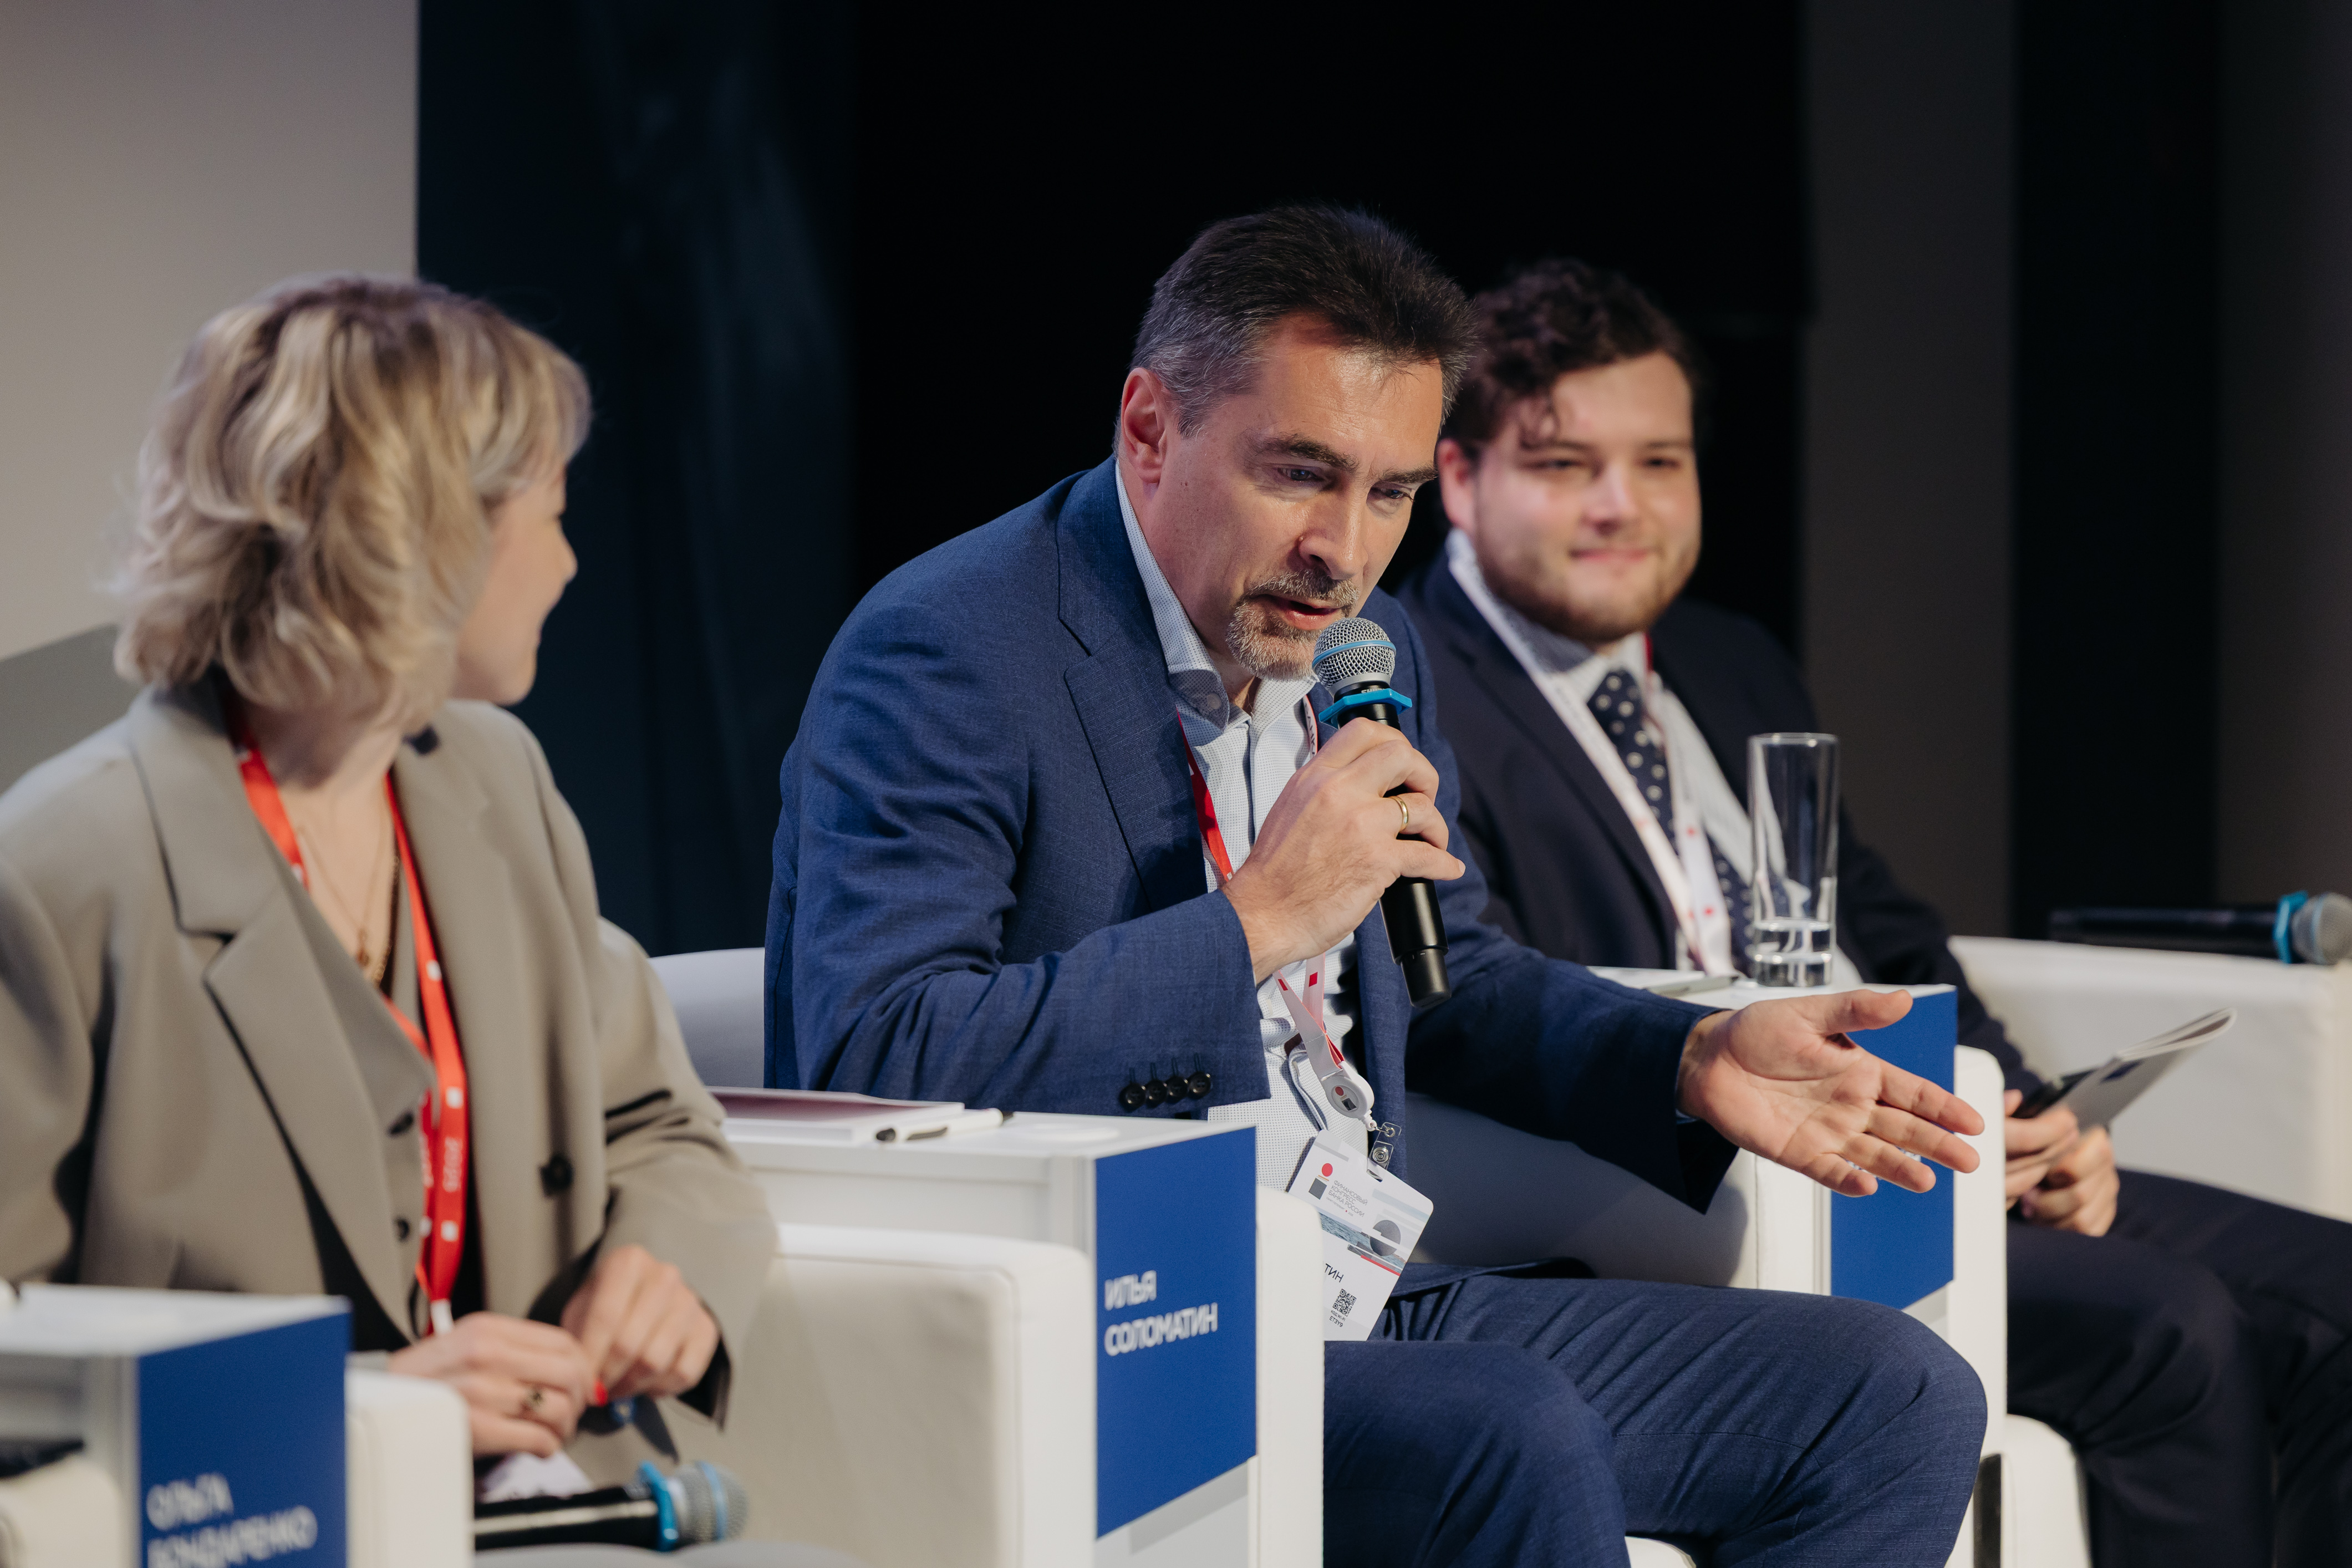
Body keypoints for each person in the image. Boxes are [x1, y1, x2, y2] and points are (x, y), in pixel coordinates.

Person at [769, 206, 1990, 1565]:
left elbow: (1448, 975)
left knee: (1894, 1400)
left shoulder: (1368, 647)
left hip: (1362, 1287)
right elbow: (871, 1051)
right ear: (1151, 427)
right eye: (1302, 473)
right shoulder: (951, 648)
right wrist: (1255, 925)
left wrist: (1688, 1055)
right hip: (1143, 1318)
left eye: (1393, 494)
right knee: (1513, 1429)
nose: (1344, 551)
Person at [1394, 257, 2352, 1567]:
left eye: (1661, 462)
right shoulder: (1417, 690)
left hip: (1931, 1139)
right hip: (1725, 1189)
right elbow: (1476, 1002)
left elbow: (1889, 929)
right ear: (1459, 478)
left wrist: (2032, 1119)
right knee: (2171, 1327)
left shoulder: (1730, 658)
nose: (1622, 504)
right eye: (1566, 465)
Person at [0, 277, 780, 1486]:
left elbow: (662, 1126)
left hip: (542, 1508)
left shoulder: (498, 781)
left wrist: (667, 1264)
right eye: (550, 516)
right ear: (423, 535)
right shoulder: (61, 868)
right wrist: (360, 1413)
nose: (570, 564)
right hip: (247, 1524)